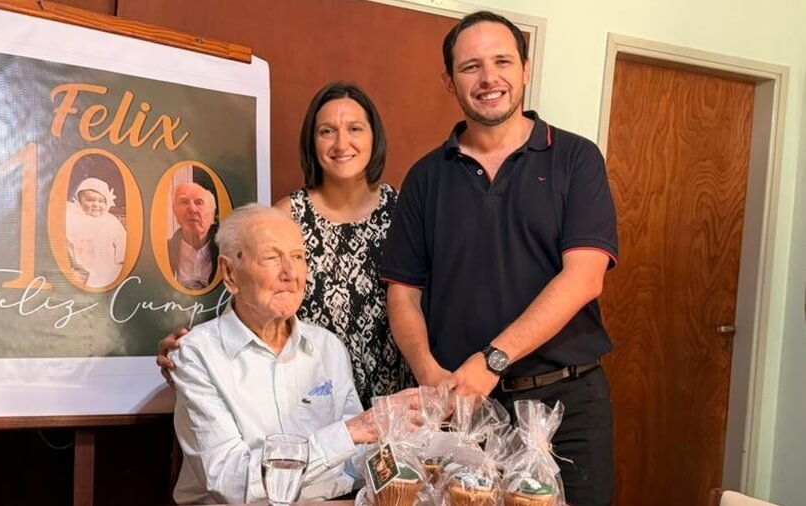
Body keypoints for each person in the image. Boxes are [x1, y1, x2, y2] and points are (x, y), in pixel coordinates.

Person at [379, 11, 619, 506]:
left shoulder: (576, 159)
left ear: (526, 70)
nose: (489, 79)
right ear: (449, 81)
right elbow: (403, 293)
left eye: (502, 62)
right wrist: (429, 374)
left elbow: (584, 278)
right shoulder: (425, 179)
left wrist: (492, 360)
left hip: (566, 407)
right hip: (463, 412)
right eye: (471, 67)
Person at [159, 82, 413, 408]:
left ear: (374, 137)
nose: (341, 143)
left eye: (355, 128)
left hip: (391, 397)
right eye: (326, 131)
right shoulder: (286, 216)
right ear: (312, 141)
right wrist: (193, 347)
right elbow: (245, 295)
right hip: (310, 395)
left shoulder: (403, 211)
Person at [169, 203, 417, 504]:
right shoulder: (197, 355)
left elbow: (353, 460)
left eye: (298, 257)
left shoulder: (326, 347)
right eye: (272, 258)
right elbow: (232, 483)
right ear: (230, 273)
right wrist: (351, 432)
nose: (290, 273)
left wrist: (412, 455)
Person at [65, 177, 126, 288]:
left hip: (107, 266)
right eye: (90, 200)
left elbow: (121, 240)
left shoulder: (110, 220)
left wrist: (121, 259)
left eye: (101, 201)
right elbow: (67, 242)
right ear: (79, 200)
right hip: (82, 269)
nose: (96, 204)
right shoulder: (74, 219)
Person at [168, 182, 219, 290]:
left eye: (199, 202)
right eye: (184, 202)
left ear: (212, 214)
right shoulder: (163, 253)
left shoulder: (228, 252)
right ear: (175, 212)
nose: (192, 209)